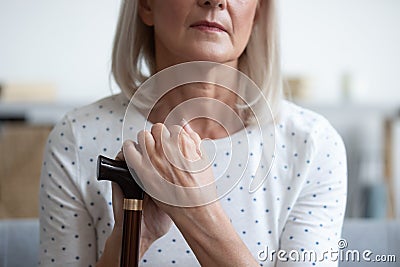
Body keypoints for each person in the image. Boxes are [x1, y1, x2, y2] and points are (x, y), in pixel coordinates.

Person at [39, 0, 347, 266]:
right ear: (147, 5)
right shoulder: (76, 137)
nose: (215, 1)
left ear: (258, 12)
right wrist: (132, 238)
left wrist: (197, 212)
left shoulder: (313, 146)